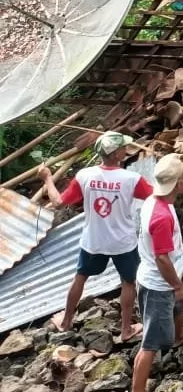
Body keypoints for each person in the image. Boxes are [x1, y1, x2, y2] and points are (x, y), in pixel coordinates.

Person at [37, 132, 151, 341]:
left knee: (80, 276)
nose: (126, 150)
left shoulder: (84, 176)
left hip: (93, 240)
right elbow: (155, 197)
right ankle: (126, 329)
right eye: (123, 148)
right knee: (128, 282)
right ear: (116, 153)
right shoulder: (132, 179)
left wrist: (47, 178)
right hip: (123, 242)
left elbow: (58, 202)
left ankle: (66, 321)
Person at [130, 154, 183, 392]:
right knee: (152, 341)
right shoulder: (161, 217)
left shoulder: (155, 202)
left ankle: (179, 334)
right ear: (178, 183)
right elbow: (162, 258)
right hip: (158, 284)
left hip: (162, 279)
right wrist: (178, 286)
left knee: (176, 311)